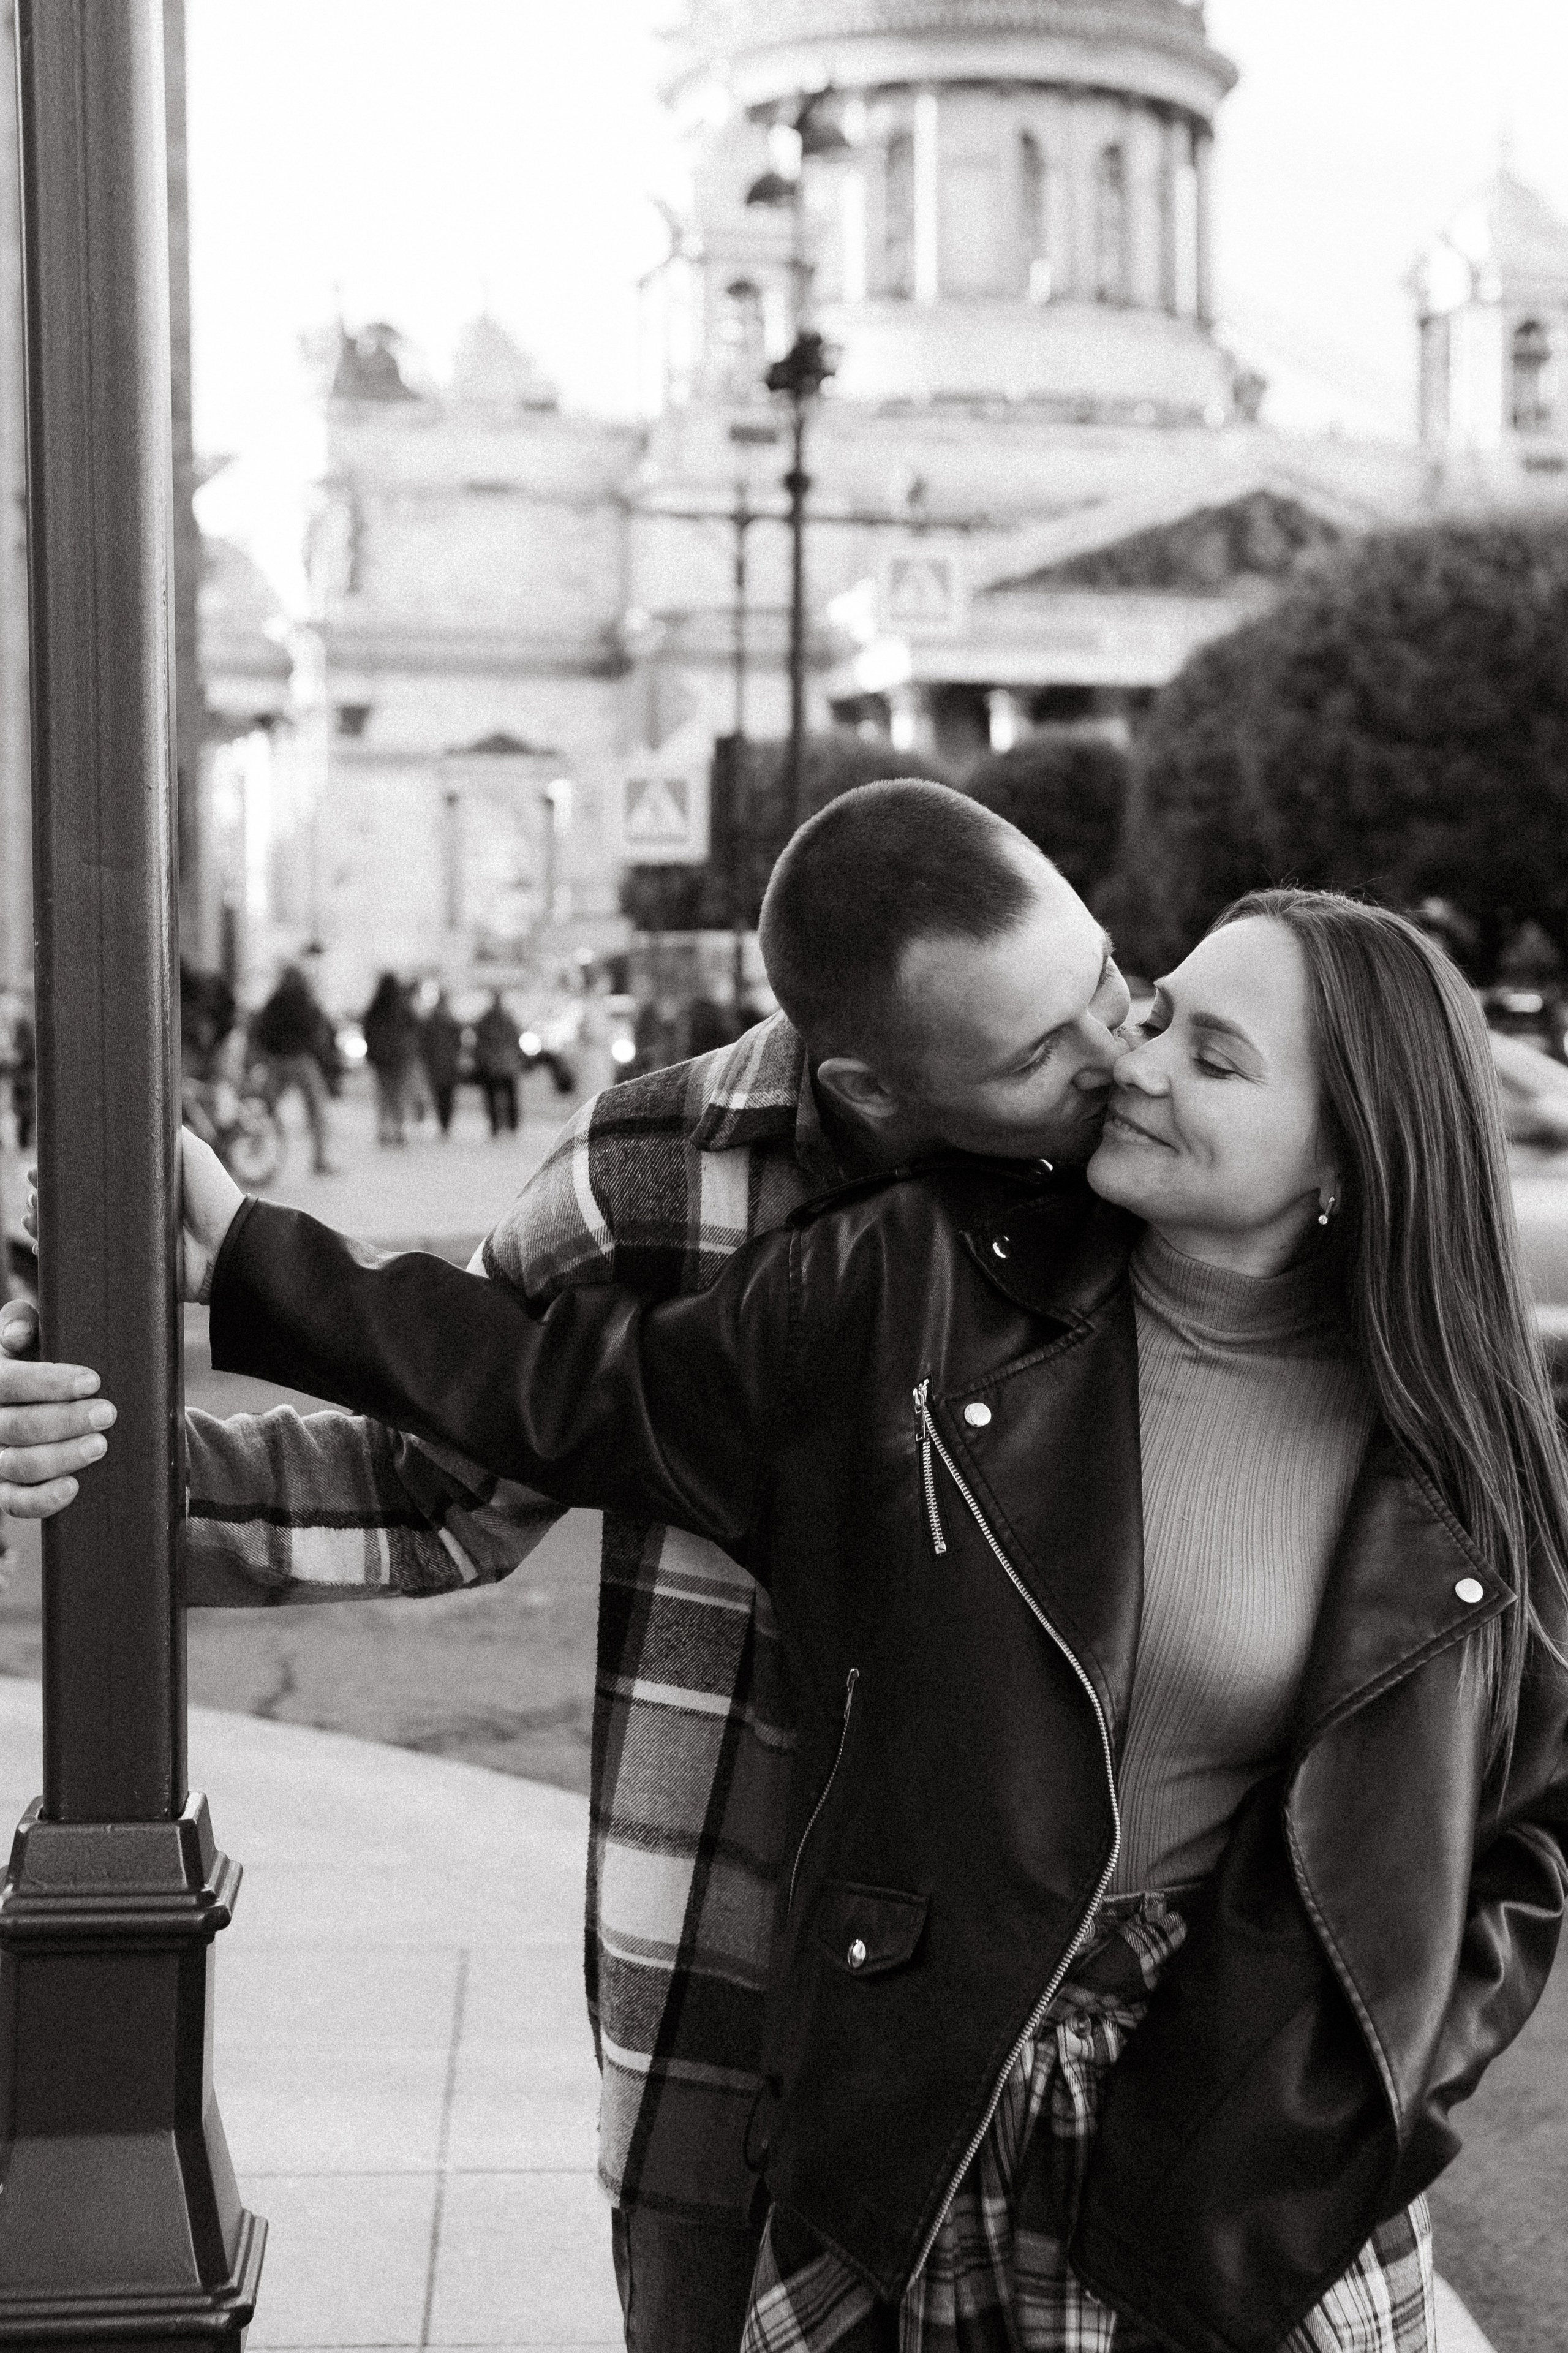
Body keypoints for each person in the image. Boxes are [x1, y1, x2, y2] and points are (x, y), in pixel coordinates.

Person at [172, 889, 1568, 2353]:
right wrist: (265, 1258)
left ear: (1346, 1154)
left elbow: (1529, 1824)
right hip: (927, 2115)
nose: (1136, 1060)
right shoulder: (917, 1281)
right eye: (1155, 1009)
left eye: (1215, 1060)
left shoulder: (1457, 1447)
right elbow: (581, 1395)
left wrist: (1377, 2075)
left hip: (1250, 2173)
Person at [0, 782, 1134, 2353]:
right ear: (868, 1083)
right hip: (724, 1988)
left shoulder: (1143, 1166)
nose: (1114, 1056)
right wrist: (105, 1465)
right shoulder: (660, 1166)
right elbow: (438, 1486)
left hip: (1046, 2039)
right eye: (1036, 1052)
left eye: (1108, 982)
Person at [251, 965, 336, 1174]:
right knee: (316, 1110)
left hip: (278, 1060)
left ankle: (253, 1149)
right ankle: (319, 1160)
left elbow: (262, 1031)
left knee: (265, 1108)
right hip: (301, 1059)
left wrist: (268, 1053)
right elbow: (318, 1031)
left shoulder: (275, 1002)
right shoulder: (307, 1002)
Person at [362, 972, 421, 1147]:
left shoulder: (376, 1006)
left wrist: (372, 1053)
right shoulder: (402, 1006)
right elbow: (415, 1028)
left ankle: (383, 1130)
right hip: (399, 1058)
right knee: (398, 1095)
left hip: (381, 1059)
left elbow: (368, 1032)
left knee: (383, 1095)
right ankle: (398, 1131)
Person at [473, 990, 524, 1135]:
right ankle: (510, 1125)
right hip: (504, 1065)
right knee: (509, 1095)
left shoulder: (487, 1020)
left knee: (494, 1096)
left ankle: (497, 1125)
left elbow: (479, 1044)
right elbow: (516, 1041)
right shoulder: (506, 1020)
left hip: (494, 1065)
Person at [420, 989, 464, 1137]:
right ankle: (446, 1124)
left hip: (436, 1064)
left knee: (440, 1096)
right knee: (448, 1096)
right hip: (448, 1064)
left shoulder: (432, 1020)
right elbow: (459, 1043)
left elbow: (424, 1043)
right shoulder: (451, 1020)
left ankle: (443, 1123)